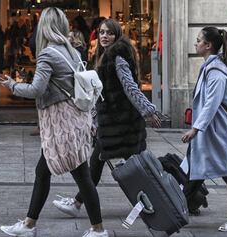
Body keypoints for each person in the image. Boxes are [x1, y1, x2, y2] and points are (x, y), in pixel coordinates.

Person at [0, 7, 108, 237]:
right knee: (44, 171)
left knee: (82, 177)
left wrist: (12, 85)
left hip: (61, 126)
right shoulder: (72, 51)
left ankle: (98, 230)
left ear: (44, 27)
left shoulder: (48, 54)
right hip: (76, 120)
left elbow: (36, 89)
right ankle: (29, 225)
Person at [52, 18, 161, 217]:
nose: (104, 36)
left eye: (109, 33)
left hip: (120, 125)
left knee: (101, 164)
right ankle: (155, 199)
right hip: (116, 124)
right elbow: (100, 96)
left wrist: (148, 109)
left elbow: (130, 87)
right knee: (123, 165)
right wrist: (94, 120)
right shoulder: (106, 56)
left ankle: (77, 204)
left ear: (116, 35)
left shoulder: (116, 57)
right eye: (101, 32)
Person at [181, 27, 227, 232]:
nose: (195, 43)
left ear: (208, 45)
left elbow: (212, 103)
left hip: (221, 132)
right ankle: (178, 207)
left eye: (198, 40)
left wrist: (195, 128)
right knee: (196, 167)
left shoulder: (217, 71)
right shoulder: (211, 67)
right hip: (213, 131)